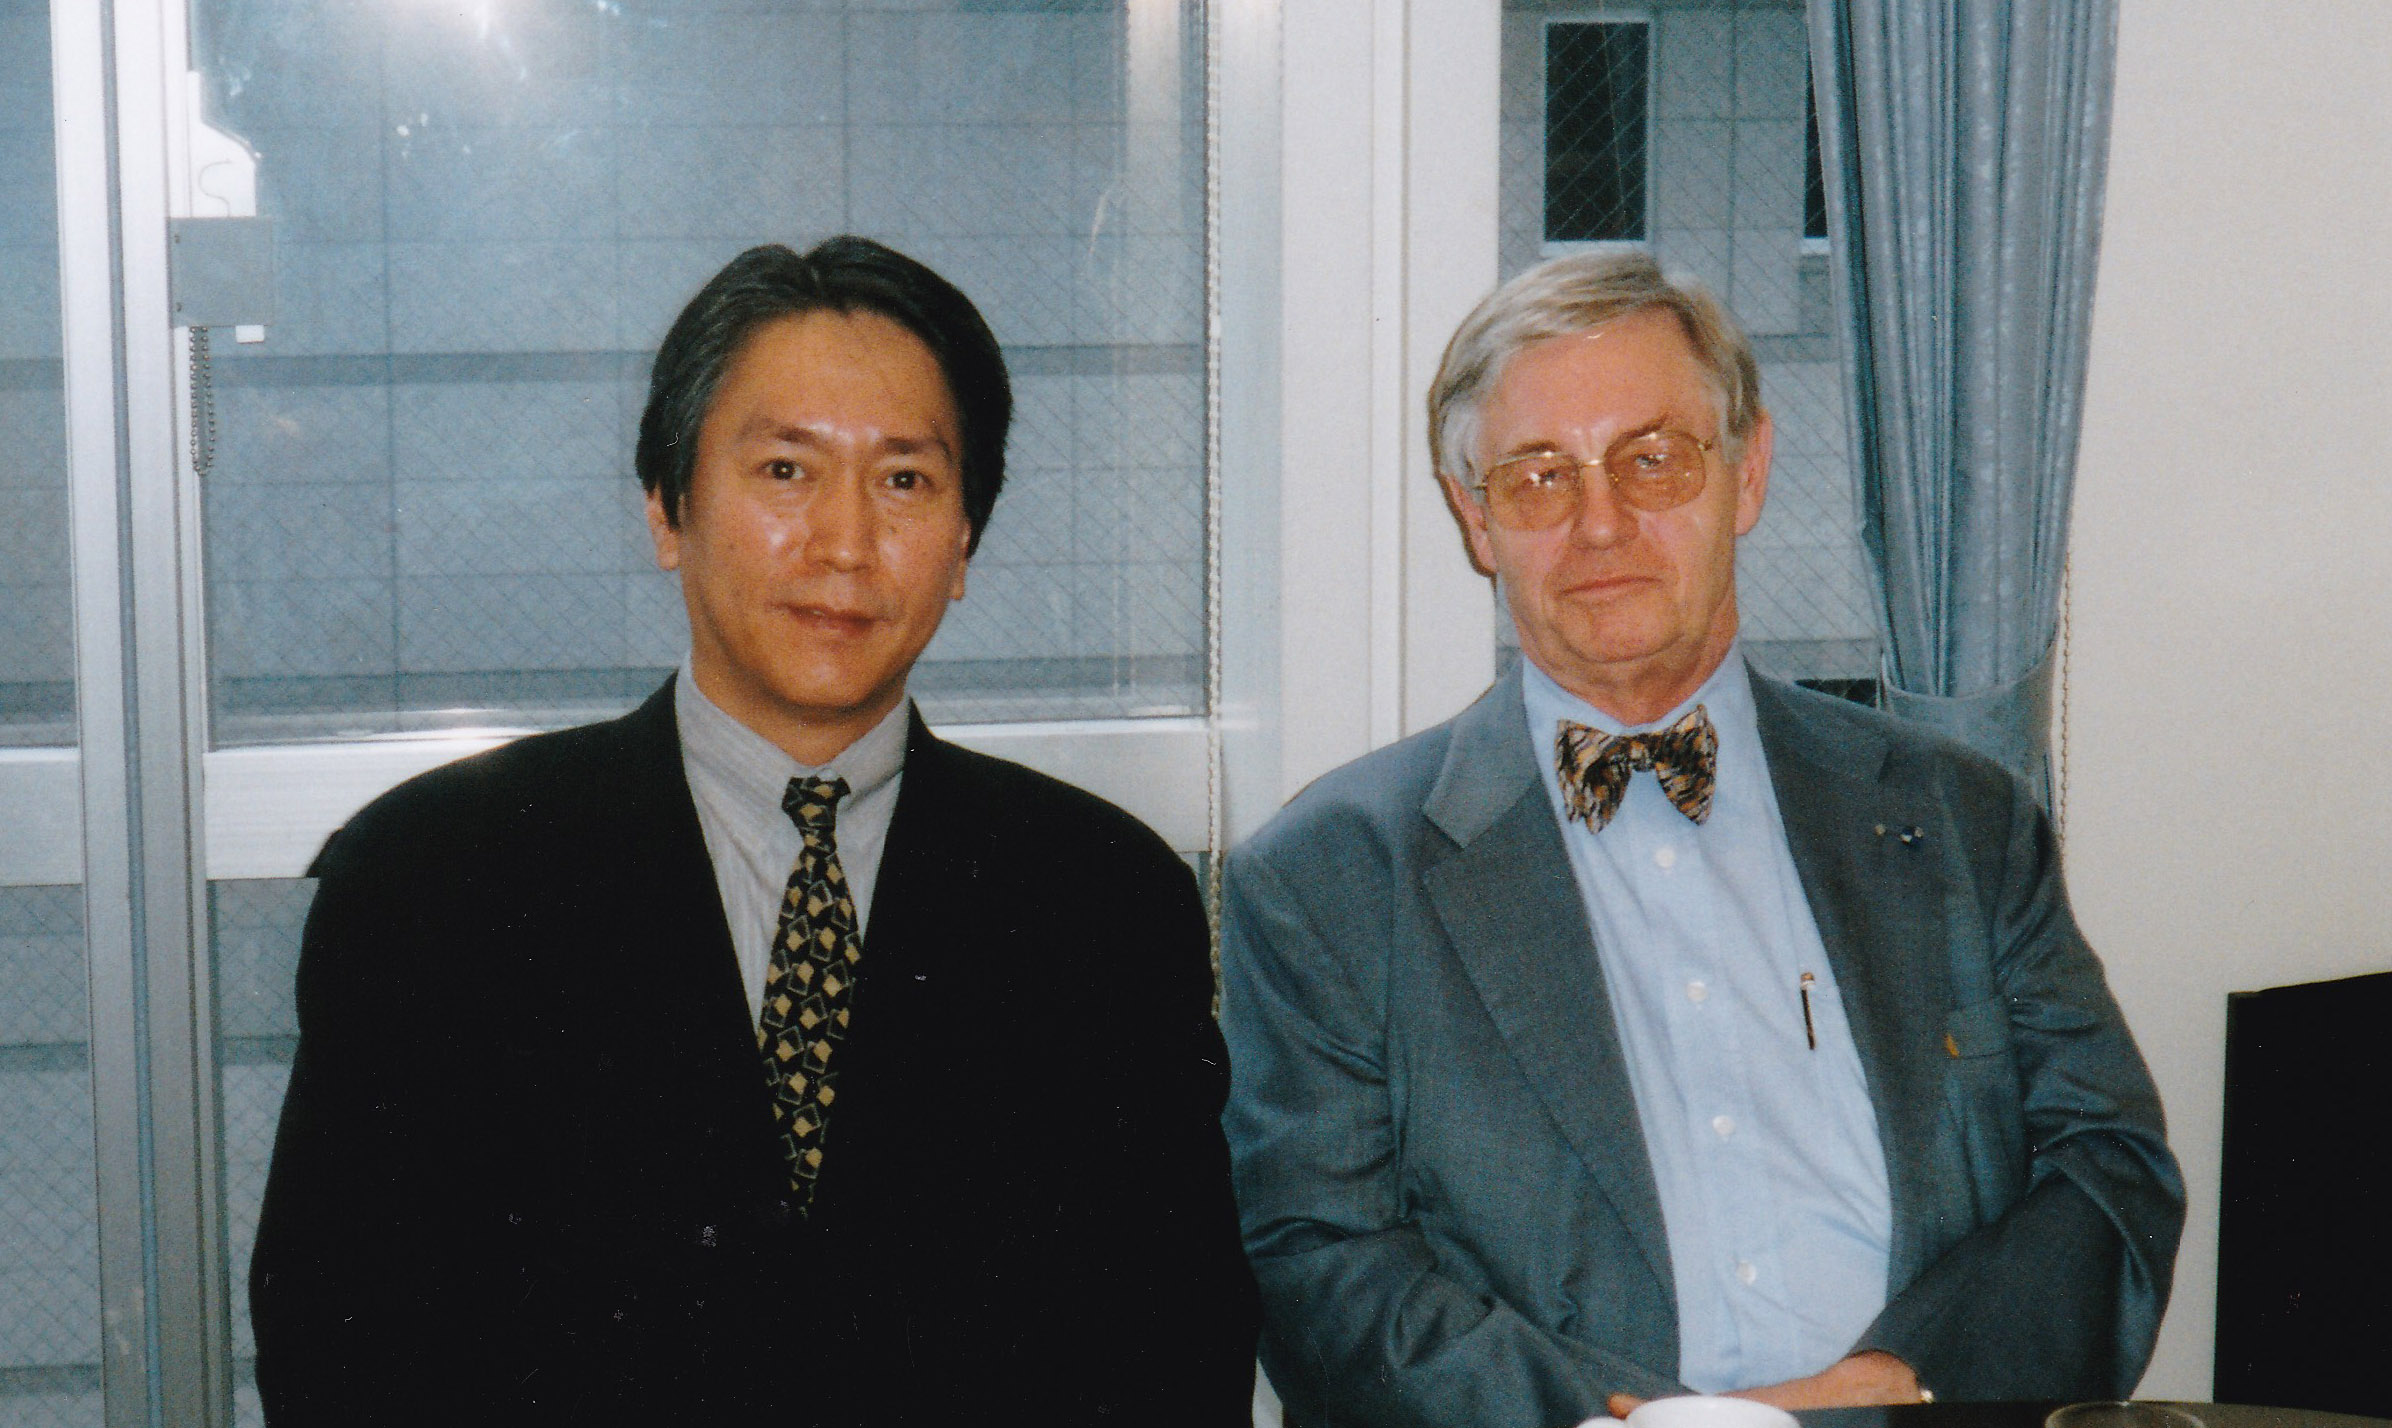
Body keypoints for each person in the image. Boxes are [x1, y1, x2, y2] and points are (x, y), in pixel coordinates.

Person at [251, 237, 1258, 1425]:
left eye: (904, 481)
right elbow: (345, 1352)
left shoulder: (1103, 900)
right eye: (785, 470)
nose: (844, 543)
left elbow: (1176, 1355)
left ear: (965, 542)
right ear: (666, 508)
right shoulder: (435, 879)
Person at [1219, 252, 2183, 1427]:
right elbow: (1322, 1266)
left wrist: (1908, 1387)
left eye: (1652, 458)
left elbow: (2106, 1165)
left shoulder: (1958, 816)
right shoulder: (1326, 877)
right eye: (1538, 478)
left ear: (1748, 472)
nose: (1600, 524)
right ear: (1475, 518)